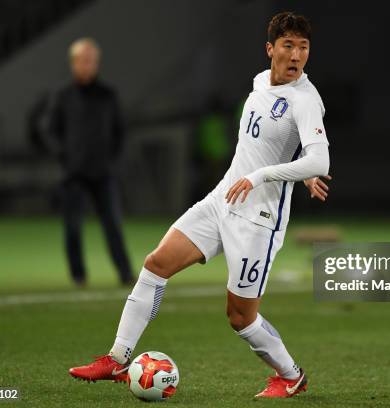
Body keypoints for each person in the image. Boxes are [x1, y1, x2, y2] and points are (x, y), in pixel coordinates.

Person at [69, 12, 332, 398]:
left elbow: (320, 160)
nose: (296, 55)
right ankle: (117, 358)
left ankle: (291, 376)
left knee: (240, 318)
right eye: (289, 46)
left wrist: (275, 175)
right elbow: (283, 147)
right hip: (223, 199)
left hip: (258, 220)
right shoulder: (261, 82)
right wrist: (298, 170)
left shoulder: (306, 99)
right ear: (270, 49)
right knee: (156, 265)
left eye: (304, 47)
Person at [48, 38, 133, 287]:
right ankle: (78, 276)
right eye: (83, 60)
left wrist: (112, 160)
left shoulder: (108, 95)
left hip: (103, 172)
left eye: (92, 61)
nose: (88, 65)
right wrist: (64, 155)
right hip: (73, 173)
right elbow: (51, 131)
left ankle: (125, 273)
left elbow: (120, 131)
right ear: (74, 63)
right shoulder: (63, 96)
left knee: (113, 226)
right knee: (73, 228)